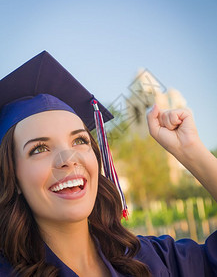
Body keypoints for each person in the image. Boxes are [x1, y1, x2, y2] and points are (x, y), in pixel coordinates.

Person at [0, 51, 216, 277]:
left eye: (79, 140)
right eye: (40, 149)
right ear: (12, 177)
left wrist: (191, 151)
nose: (68, 159)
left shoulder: (152, 260)